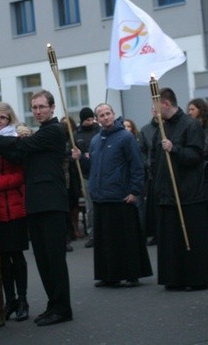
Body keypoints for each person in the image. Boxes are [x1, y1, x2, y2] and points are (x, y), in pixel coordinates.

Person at [0, 90, 73, 327]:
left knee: (54, 259)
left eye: (42, 107)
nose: (37, 111)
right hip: (36, 204)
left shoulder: (54, 130)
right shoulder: (39, 133)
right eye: (34, 107)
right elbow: (16, 152)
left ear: (52, 108)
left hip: (51, 203)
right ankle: (54, 304)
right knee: (43, 260)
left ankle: (63, 308)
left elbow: (19, 144)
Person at [153, 90, 208, 291]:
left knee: (192, 237)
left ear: (165, 103)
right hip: (168, 193)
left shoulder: (191, 125)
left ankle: (197, 277)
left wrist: (175, 149)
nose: (153, 110)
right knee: (172, 239)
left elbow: (196, 156)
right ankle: (175, 277)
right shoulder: (162, 128)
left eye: (155, 105)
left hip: (188, 192)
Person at [81, 103, 151, 288]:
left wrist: (135, 191)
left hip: (121, 195)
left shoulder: (126, 137)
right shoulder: (96, 140)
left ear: (113, 114)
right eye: (101, 115)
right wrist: (79, 158)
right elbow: (92, 168)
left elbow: (137, 166)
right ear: (97, 119)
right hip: (101, 196)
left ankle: (132, 274)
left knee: (126, 239)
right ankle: (108, 275)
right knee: (106, 241)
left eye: (108, 113)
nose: (105, 117)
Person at [0, 102, 30, 322]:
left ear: (10, 120)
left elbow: (21, 175)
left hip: (14, 208)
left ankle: (23, 300)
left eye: (4, 118)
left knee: (16, 256)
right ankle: (10, 299)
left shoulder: (15, 139)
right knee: (2, 258)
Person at [74, 107, 99, 248]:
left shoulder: (99, 131)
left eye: (92, 119)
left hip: (100, 172)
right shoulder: (76, 134)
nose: (91, 122)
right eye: (88, 119)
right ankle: (92, 234)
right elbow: (71, 151)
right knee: (90, 206)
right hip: (85, 174)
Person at [139, 108, 160, 245]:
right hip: (153, 173)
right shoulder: (145, 130)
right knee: (155, 206)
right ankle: (157, 233)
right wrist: (147, 163)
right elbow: (143, 151)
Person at [61, 115, 81, 251]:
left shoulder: (74, 139)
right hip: (62, 177)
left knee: (73, 203)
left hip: (72, 176)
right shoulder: (59, 141)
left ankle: (74, 228)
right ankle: (68, 233)